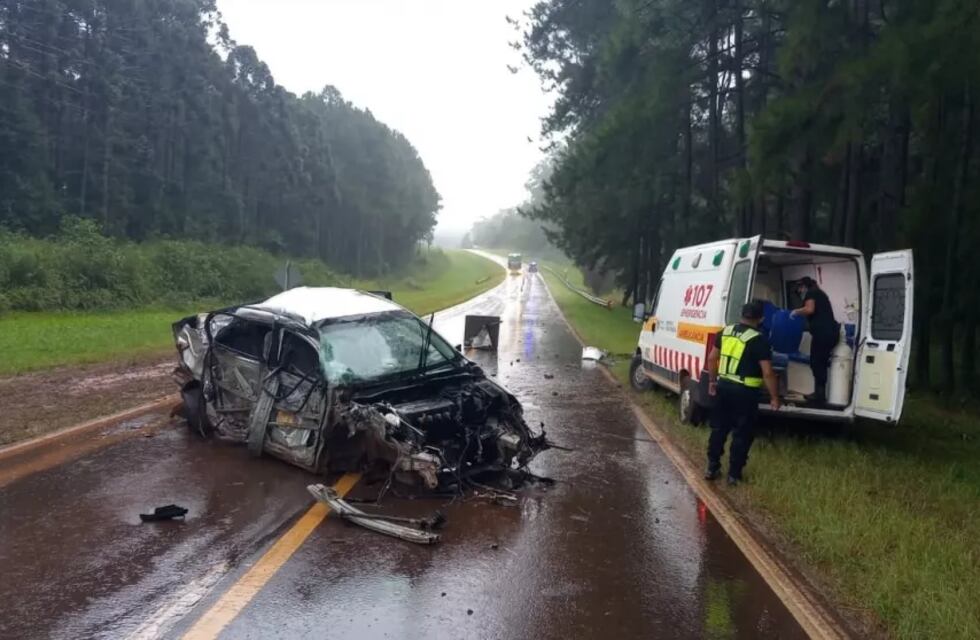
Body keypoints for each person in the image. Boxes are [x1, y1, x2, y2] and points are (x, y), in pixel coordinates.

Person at [705, 300, 780, 486]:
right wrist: (774, 397)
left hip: (723, 387)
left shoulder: (725, 332)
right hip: (745, 393)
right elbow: (768, 373)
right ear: (761, 318)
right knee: (742, 433)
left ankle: (712, 467)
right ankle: (733, 475)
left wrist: (713, 381)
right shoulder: (759, 339)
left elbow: (712, 358)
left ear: (742, 315)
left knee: (718, 429)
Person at [790, 276, 839, 403]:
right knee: (819, 362)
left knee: (817, 362)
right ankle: (819, 393)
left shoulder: (812, 292)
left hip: (823, 333)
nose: (799, 291)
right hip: (829, 332)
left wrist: (796, 311)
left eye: (800, 288)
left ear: (804, 286)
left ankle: (819, 395)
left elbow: (809, 309)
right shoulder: (820, 293)